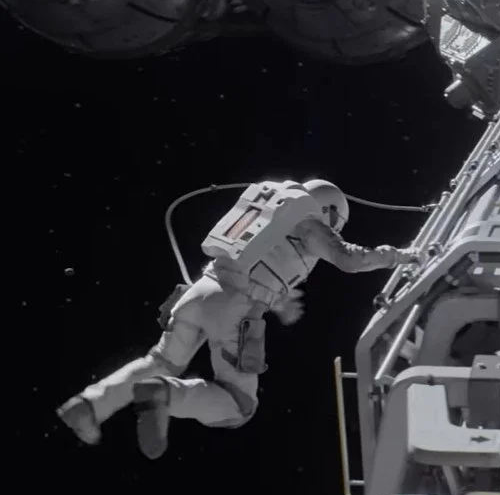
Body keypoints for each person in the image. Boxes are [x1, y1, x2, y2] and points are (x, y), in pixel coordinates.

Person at [56, 179, 418, 459]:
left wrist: (279, 302)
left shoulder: (274, 212)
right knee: (239, 405)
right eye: (336, 223)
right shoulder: (310, 222)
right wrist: (398, 256)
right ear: (329, 212)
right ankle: (166, 394)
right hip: (236, 308)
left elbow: (256, 262)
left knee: (160, 360)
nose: (335, 230)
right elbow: (350, 259)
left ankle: (89, 405)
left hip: (200, 291)